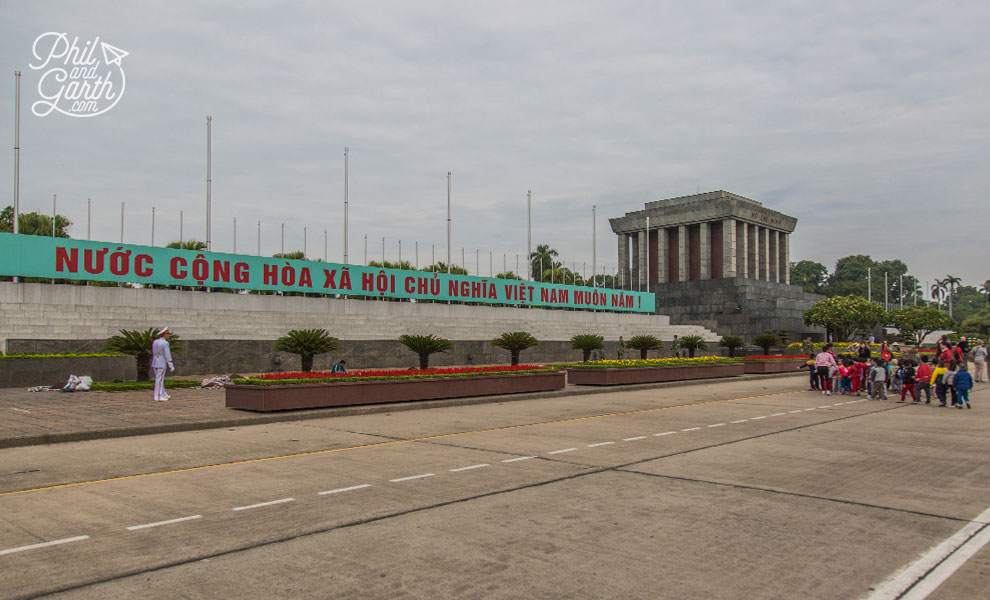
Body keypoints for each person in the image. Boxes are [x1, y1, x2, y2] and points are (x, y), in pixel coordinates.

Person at [151, 326, 174, 402]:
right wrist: (171, 365)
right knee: (159, 380)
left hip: (155, 361)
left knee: (159, 379)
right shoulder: (165, 343)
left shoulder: (155, 342)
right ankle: (158, 396)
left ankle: (163, 393)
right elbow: (167, 355)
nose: (168, 335)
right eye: (167, 333)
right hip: (161, 362)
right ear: (164, 334)